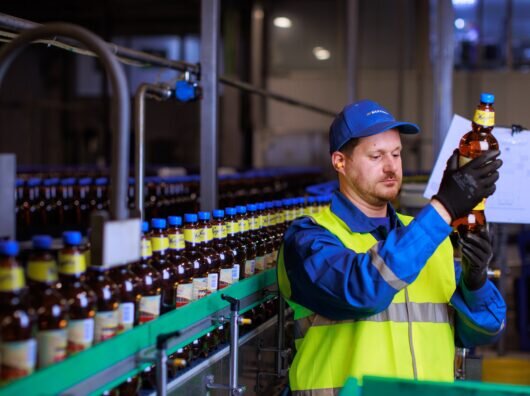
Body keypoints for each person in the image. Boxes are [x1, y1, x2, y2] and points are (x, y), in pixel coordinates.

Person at [278, 99, 506, 394]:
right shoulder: (308, 239)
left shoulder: (431, 239)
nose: (390, 167)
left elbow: (480, 332)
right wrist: (445, 206)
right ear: (340, 162)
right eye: (376, 156)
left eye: (396, 154)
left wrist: (475, 283)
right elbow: (364, 290)